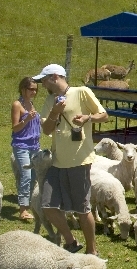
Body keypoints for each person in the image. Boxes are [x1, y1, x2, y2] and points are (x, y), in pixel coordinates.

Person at [35, 64, 108, 256]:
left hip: (79, 161)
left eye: (44, 80)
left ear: (55, 77)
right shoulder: (50, 100)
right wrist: (55, 112)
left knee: (82, 209)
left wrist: (87, 118)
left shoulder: (82, 92)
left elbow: (104, 115)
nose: (43, 85)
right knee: (48, 205)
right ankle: (71, 241)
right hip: (57, 161)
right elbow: (47, 130)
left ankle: (92, 251)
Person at [11, 77, 41, 221]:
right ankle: (23, 210)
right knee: (26, 175)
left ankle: (30, 205)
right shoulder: (17, 104)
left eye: (35, 90)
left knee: (34, 176)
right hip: (21, 146)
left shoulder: (31, 104)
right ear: (23, 89)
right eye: (31, 89)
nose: (34, 92)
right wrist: (27, 119)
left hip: (34, 146)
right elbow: (15, 128)